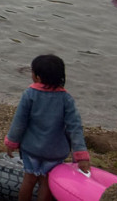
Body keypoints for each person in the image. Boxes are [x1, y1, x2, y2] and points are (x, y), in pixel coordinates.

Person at [5, 55, 90, 201]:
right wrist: (81, 155)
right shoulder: (66, 99)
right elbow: (74, 128)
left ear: (37, 77)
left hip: (31, 149)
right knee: (46, 183)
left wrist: (11, 142)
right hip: (55, 153)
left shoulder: (30, 95)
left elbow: (19, 122)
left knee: (29, 180)